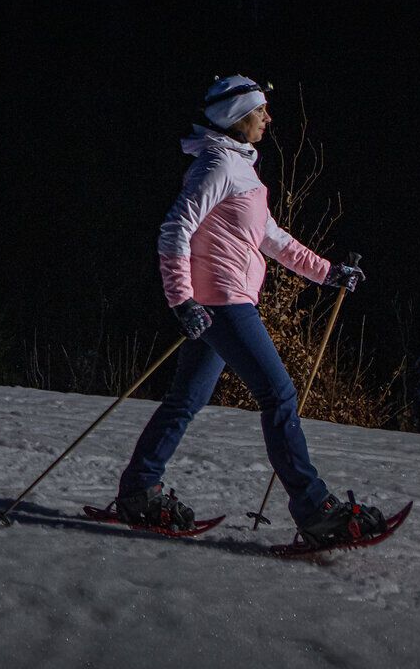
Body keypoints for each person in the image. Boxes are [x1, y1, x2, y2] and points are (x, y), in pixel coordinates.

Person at [113, 75, 389, 547]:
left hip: (221, 300)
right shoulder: (217, 165)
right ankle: (314, 509)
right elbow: (174, 228)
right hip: (223, 301)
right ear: (238, 117)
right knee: (279, 395)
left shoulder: (240, 169)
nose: (268, 118)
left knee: (186, 401)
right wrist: (182, 300)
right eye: (261, 110)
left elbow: (272, 239)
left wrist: (328, 273)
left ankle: (139, 491)